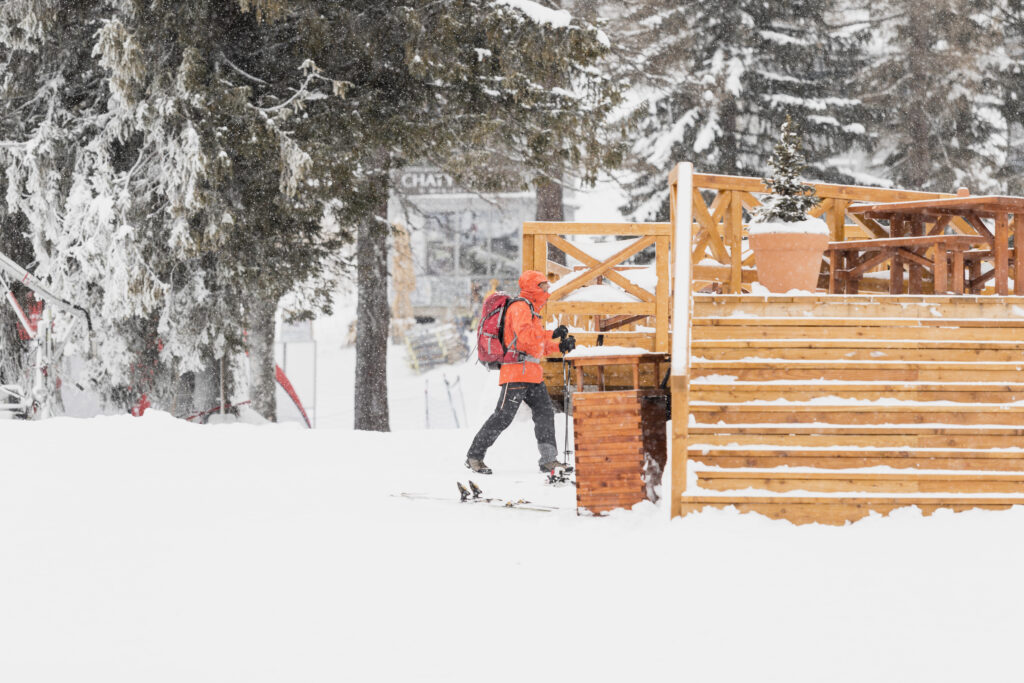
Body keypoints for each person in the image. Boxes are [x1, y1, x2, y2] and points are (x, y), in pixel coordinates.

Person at [465, 270, 576, 475]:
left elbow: (534, 345)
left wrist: (558, 346)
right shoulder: (520, 307)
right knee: (503, 416)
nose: (547, 289)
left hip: (532, 373)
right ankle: (474, 456)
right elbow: (524, 339)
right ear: (534, 287)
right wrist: (552, 334)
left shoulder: (532, 310)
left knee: (544, 414)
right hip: (516, 371)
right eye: (544, 285)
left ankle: (549, 460)